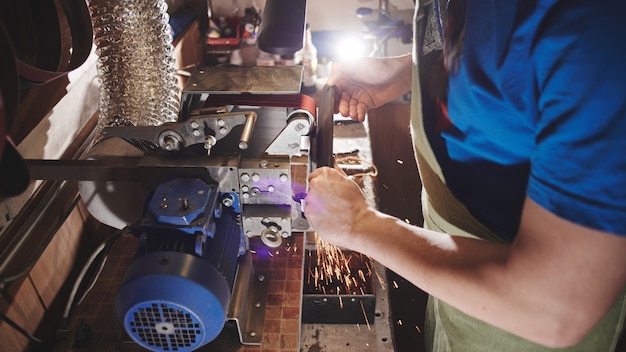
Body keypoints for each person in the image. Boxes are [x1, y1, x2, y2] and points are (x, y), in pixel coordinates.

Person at [304, 0, 626, 351]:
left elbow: (555, 308)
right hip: (453, 281)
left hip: (519, 323)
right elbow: (501, 60)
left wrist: (358, 224)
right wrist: (409, 71)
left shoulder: (597, 37)